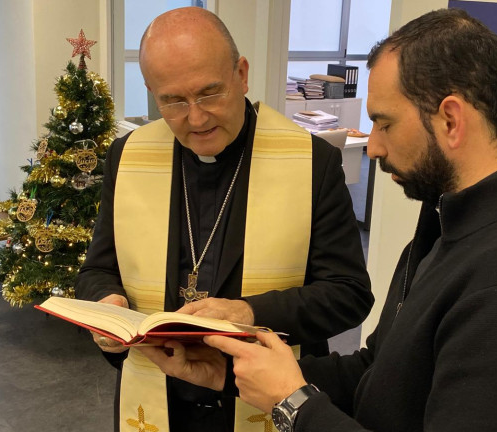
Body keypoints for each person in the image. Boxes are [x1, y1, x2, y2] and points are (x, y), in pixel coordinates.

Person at [139, 8, 497, 432]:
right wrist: (228, 373)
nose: (374, 146)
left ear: (451, 121)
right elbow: (375, 374)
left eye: (384, 123)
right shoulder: (449, 231)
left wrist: (292, 403)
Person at [74, 7, 373, 432]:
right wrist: (108, 304)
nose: (195, 118)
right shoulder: (128, 157)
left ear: (242, 74)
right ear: (151, 91)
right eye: (173, 101)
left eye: (210, 93)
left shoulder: (312, 163)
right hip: (159, 396)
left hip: (263, 399)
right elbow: (99, 268)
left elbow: (349, 294)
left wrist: (249, 312)